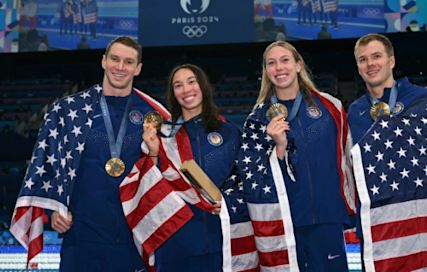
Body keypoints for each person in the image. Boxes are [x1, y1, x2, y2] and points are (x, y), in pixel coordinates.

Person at [10, 36, 158, 271]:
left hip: (132, 239)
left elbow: (162, 175)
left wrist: (155, 153)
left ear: (138, 68)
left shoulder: (154, 115)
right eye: (115, 59)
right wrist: (54, 209)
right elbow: (49, 166)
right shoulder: (70, 110)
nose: (120, 67)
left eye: (128, 62)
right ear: (103, 61)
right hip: (81, 237)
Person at [130, 64, 259, 271]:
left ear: (203, 86)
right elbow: (148, 187)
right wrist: (153, 152)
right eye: (178, 85)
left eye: (191, 82)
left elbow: (247, 180)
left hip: (222, 238)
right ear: (173, 94)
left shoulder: (230, 132)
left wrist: (229, 202)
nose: (186, 90)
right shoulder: (162, 135)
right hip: (177, 241)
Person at [348, 33, 427, 271]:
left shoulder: (423, 99)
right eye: (363, 59)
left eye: (377, 56)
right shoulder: (355, 111)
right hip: (379, 226)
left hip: (423, 222)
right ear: (358, 67)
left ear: (391, 61)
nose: (370, 64)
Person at [240, 41, 356, 271]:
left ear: (298, 65)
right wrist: (280, 149)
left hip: (327, 217)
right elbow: (252, 177)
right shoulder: (257, 118)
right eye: (271, 63)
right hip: (284, 222)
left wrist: (350, 209)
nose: (279, 68)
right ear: (266, 71)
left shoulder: (330, 106)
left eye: (285, 60)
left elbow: (348, 160)